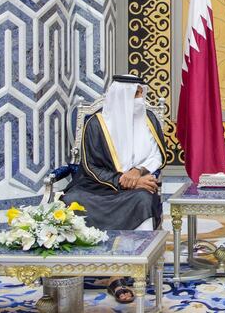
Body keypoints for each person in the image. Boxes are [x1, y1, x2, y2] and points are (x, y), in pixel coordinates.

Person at [62, 74, 166, 304]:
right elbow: (90, 166)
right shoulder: (96, 124)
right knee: (72, 200)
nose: (141, 98)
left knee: (143, 199)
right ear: (123, 96)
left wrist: (138, 172)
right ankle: (73, 267)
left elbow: (157, 155)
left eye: (142, 92)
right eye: (136, 94)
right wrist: (122, 179)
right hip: (97, 186)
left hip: (134, 188)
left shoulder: (147, 118)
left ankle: (120, 274)